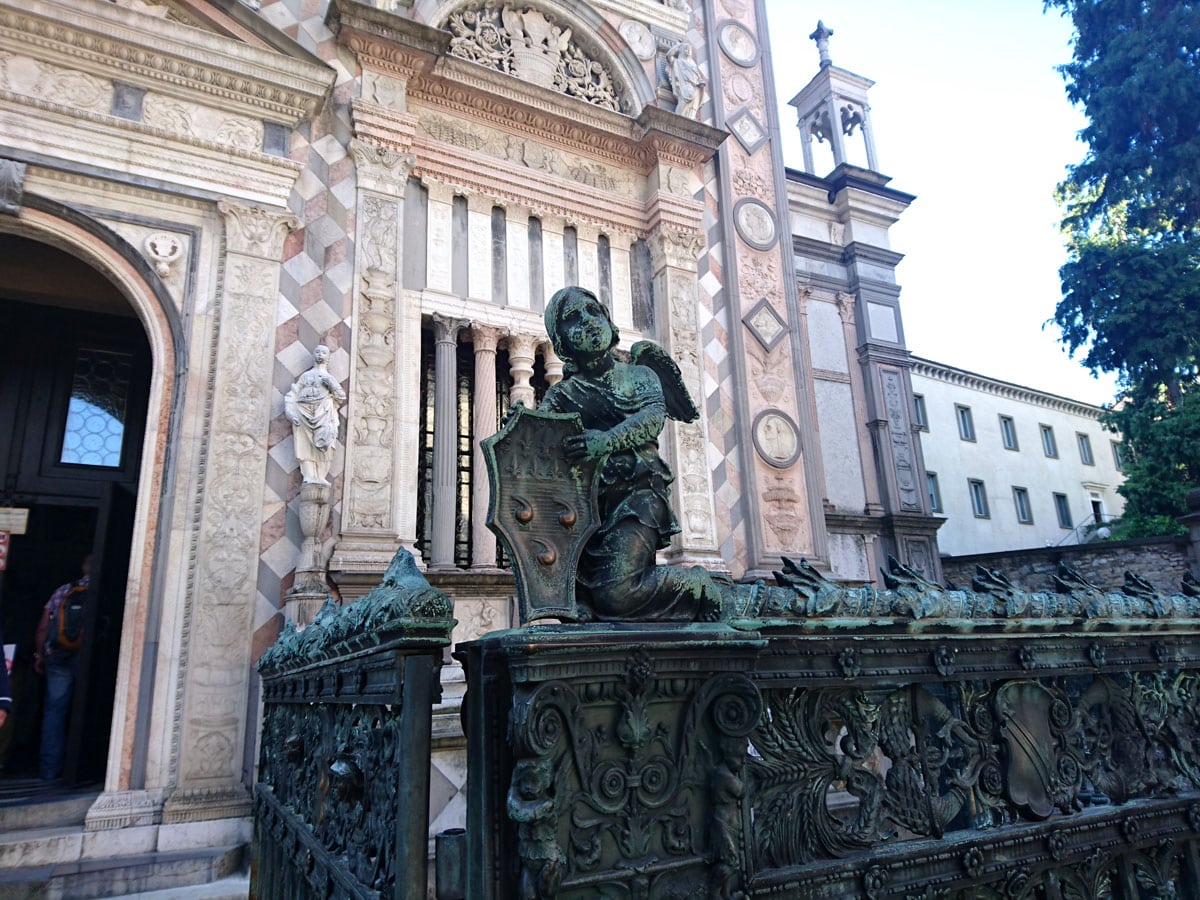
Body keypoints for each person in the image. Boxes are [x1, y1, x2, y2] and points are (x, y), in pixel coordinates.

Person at [539, 286, 724, 620]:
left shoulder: (640, 374)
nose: (588, 322)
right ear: (562, 345)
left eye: (593, 312)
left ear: (609, 322)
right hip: (585, 510)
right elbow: (541, 447)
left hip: (638, 497)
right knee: (600, 595)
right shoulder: (560, 396)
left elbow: (652, 419)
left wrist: (604, 441)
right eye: (573, 319)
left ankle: (698, 585)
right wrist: (521, 429)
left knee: (617, 593)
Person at [34, 555, 90, 781]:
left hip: (58, 654)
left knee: (55, 712)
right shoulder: (107, 588)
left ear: (83, 567)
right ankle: (83, 769)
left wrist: (39, 655)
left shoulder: (64, 590)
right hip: (87, 657)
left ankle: (50, 770)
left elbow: (43, 626)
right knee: (87, 707)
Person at [284, 344, 346, 486]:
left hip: (324, 414)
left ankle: (320, 476)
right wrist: (290, 412)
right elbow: (292, 395)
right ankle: (309, 475)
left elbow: (341, 397)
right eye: (317, 352)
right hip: (303, 415)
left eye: (323, 353)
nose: (320, 355)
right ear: (313, 355)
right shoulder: (306, 376)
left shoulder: (329, 378)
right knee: (305, 446)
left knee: (327, 444)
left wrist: (331, 385)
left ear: (328, 357)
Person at [667, 41, 706, 120]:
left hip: (695, 88)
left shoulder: (693, 64)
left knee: (693, 109)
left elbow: (697, 76)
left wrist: (700, 83)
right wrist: (678, 46)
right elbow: (669, 56)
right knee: (682, 104)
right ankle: (677, 121)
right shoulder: (677, 61)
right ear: (681, 51)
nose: (688, 51)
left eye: (689, 50)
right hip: (685, 87)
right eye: (686, 49)